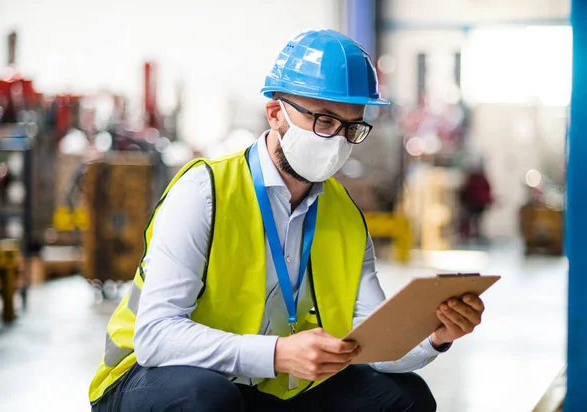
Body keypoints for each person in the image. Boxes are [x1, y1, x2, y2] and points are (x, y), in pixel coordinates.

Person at [89, 29, 486, 412]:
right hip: (149, 378)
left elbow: (372, 342)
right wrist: (278, 354)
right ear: (276, 113)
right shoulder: (204, 190)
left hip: (263, 383)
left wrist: (433, 335)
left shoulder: (344, 215)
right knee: (205, 397)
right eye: (325, 122)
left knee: (405, 397)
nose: (337, 141)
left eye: (352, 127)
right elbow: (155, 337)